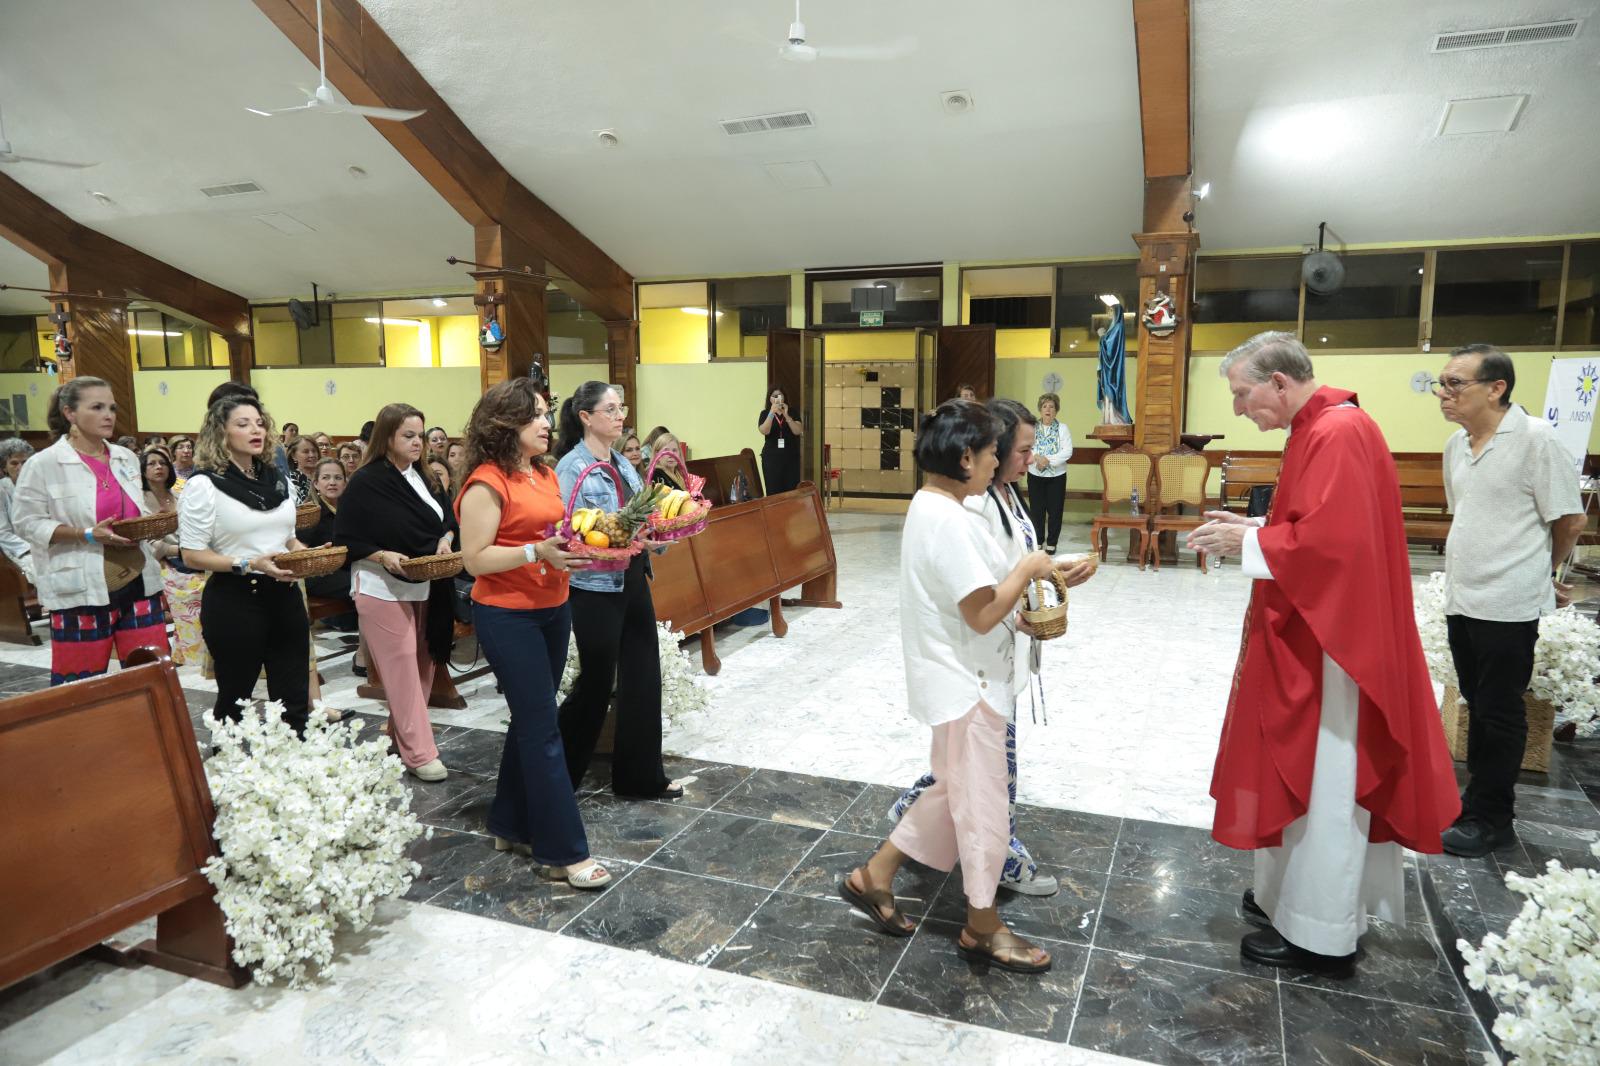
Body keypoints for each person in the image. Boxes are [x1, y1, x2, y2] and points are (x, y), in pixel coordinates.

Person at [1186, 331, 1459, 976]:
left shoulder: (1338, 431)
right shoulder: (1321, 426)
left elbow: (1335, 549)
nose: (1238, 409)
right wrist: (1255, 528)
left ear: (1278, 382)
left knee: (1327, 779)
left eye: (1242, 394)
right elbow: (1314, 525)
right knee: (1307, 773)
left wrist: (1251, 546)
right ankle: (1289, 901)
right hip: (1320, 630)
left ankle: (1321, 933)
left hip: (1337, 645)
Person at [843, 400, 1057, 972]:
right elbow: (981, 613)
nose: (995, 465)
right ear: (965, 457)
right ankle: (982, 925)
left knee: (950, 791)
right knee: (983, 805)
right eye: (990, 454)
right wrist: (1028, 569)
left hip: (959, 676)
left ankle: (874, 876)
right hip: (968, 684)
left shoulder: (933, 504)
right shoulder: (950, 520)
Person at [890, 398, 1097, 897]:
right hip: (971, 664)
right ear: (984, 452)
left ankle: (889, 860)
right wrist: (1028, 575)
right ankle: (987, 880)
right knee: (978, 778)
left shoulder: (1001, 493)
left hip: (994, 649)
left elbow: (1005, 565)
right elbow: (979, 596)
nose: (1029, 459)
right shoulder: (966, 505)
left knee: (965, 772)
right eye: (1020, 450)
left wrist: (1051, 572)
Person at [1432, 344, 1585, 857]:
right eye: (1442, 384)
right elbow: (1468, 516)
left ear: (1496, 388)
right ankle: (1475, 803)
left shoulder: (1537, 439)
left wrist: (1541, 572)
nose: (1444, 393)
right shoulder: (1456, 444)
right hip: (1462, 596)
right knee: (1476, 703)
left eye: (1456, 383)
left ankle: (1493, 819)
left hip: (1508, 602)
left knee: (1500, 711)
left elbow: (1571, 520)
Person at [458, 378, 610, 889]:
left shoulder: (543, 472)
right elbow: (475, 559)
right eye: (536, 416)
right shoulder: (486, 483)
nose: (547, 424)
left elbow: (554, 536)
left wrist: (578, 546)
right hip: (508, 616)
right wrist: (534, 552)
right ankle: (563, 852)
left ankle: (509, 823)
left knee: (532, 720)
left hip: (553, 607)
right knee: (544, 729)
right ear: (506, 425)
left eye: (546, 414)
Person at [555, 382, 683, 799]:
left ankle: (640, 778)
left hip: (632, 577)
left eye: (621, 408)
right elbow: (570, 532)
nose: (620, 416)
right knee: (595, 684)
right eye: (609, 409)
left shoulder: (623, 464)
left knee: (643, 676)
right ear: (585, 417)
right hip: (595, 586)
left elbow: (643, 517)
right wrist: (623, 537)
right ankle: (557, 779)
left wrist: (660, 533)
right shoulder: (572, 467)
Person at [12, 378, 169, 686]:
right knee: (80, 683)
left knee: (151, 674)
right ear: (69, 413)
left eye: (112, 408)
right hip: (80, 587)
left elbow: (132, 510)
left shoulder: (124, 457)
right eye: (97, 407)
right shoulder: (44, 464)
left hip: (137, 577)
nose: (108, 415)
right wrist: (85, 534)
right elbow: (26, 522)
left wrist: (150, 522)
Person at [336, 403, 458, 782]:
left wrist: (445, 540)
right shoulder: (366, 481)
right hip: (380, 584)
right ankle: (420, 753)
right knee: (402, 665)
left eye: (420, 435)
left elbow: (447, 518)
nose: (417, 442)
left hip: (425, 581)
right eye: (408, 435)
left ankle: (398, 735)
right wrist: (381, 554)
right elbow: (346, 536)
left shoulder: (425, 476)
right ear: (387, 437)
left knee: (422, 666)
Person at [180, 393, 310, 732]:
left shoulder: (277, 479)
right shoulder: (204, 485)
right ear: (221, 432)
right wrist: (249, 563)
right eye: (243, 424)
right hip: (236, 599)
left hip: (284, 596)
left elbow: (288, 537)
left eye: (259, 423)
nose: (256, 430)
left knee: (294, 700)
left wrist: (307, 555)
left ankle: (296, 759)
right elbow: (191, 554)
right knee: (235, 701)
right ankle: (231, 759)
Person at [303, 458, 353, 605]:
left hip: (347, 569)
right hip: (318, 575)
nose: (332, 482)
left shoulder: (351, 510)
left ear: (345, 483)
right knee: (363, 584)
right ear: (316, 483)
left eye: (338, 478)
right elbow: (299, 556)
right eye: (325, 478)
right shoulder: (309, 514)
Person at [1027, 392, 1072, 553]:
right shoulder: (1032, 427)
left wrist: (1047, 460)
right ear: (1040, 409)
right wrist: (1037, 458)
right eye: (1045, 406)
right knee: (1036, 510)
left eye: (1051, 406)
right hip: (1035, 474)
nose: (1048, 409)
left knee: (1055, 510)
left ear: (1056, 410)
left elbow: (1067, 451)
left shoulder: (1063, 428)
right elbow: (1028, 447)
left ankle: (1052, 542)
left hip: (1056, 476)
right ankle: (1038, 541)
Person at [0, 438, 36, 581]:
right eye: (14, 463)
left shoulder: (40, 487)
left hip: (45, 545)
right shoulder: (2, 490)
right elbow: (2, 533)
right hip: (19, 550)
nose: (21, 467)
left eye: (25, 462)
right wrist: (31, 548)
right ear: (4, 468)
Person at [758, 387, 803, 495]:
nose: (777, 398)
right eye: (774, 396)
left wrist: (786, 415)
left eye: (780, 395)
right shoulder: (765, 413)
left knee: (792, 491)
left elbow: (797, 431)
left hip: (791, 458)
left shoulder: (792, 412)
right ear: (770, 399)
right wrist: (771, 413)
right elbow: (764, 431)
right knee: (773, 491)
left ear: (784, 397)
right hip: (771, 459)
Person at [286, 436, 319, 503]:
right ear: (293, 456)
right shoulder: (290, 479)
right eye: (306, 452)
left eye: (314, 451)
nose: (312, 455)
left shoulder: (323, 476)